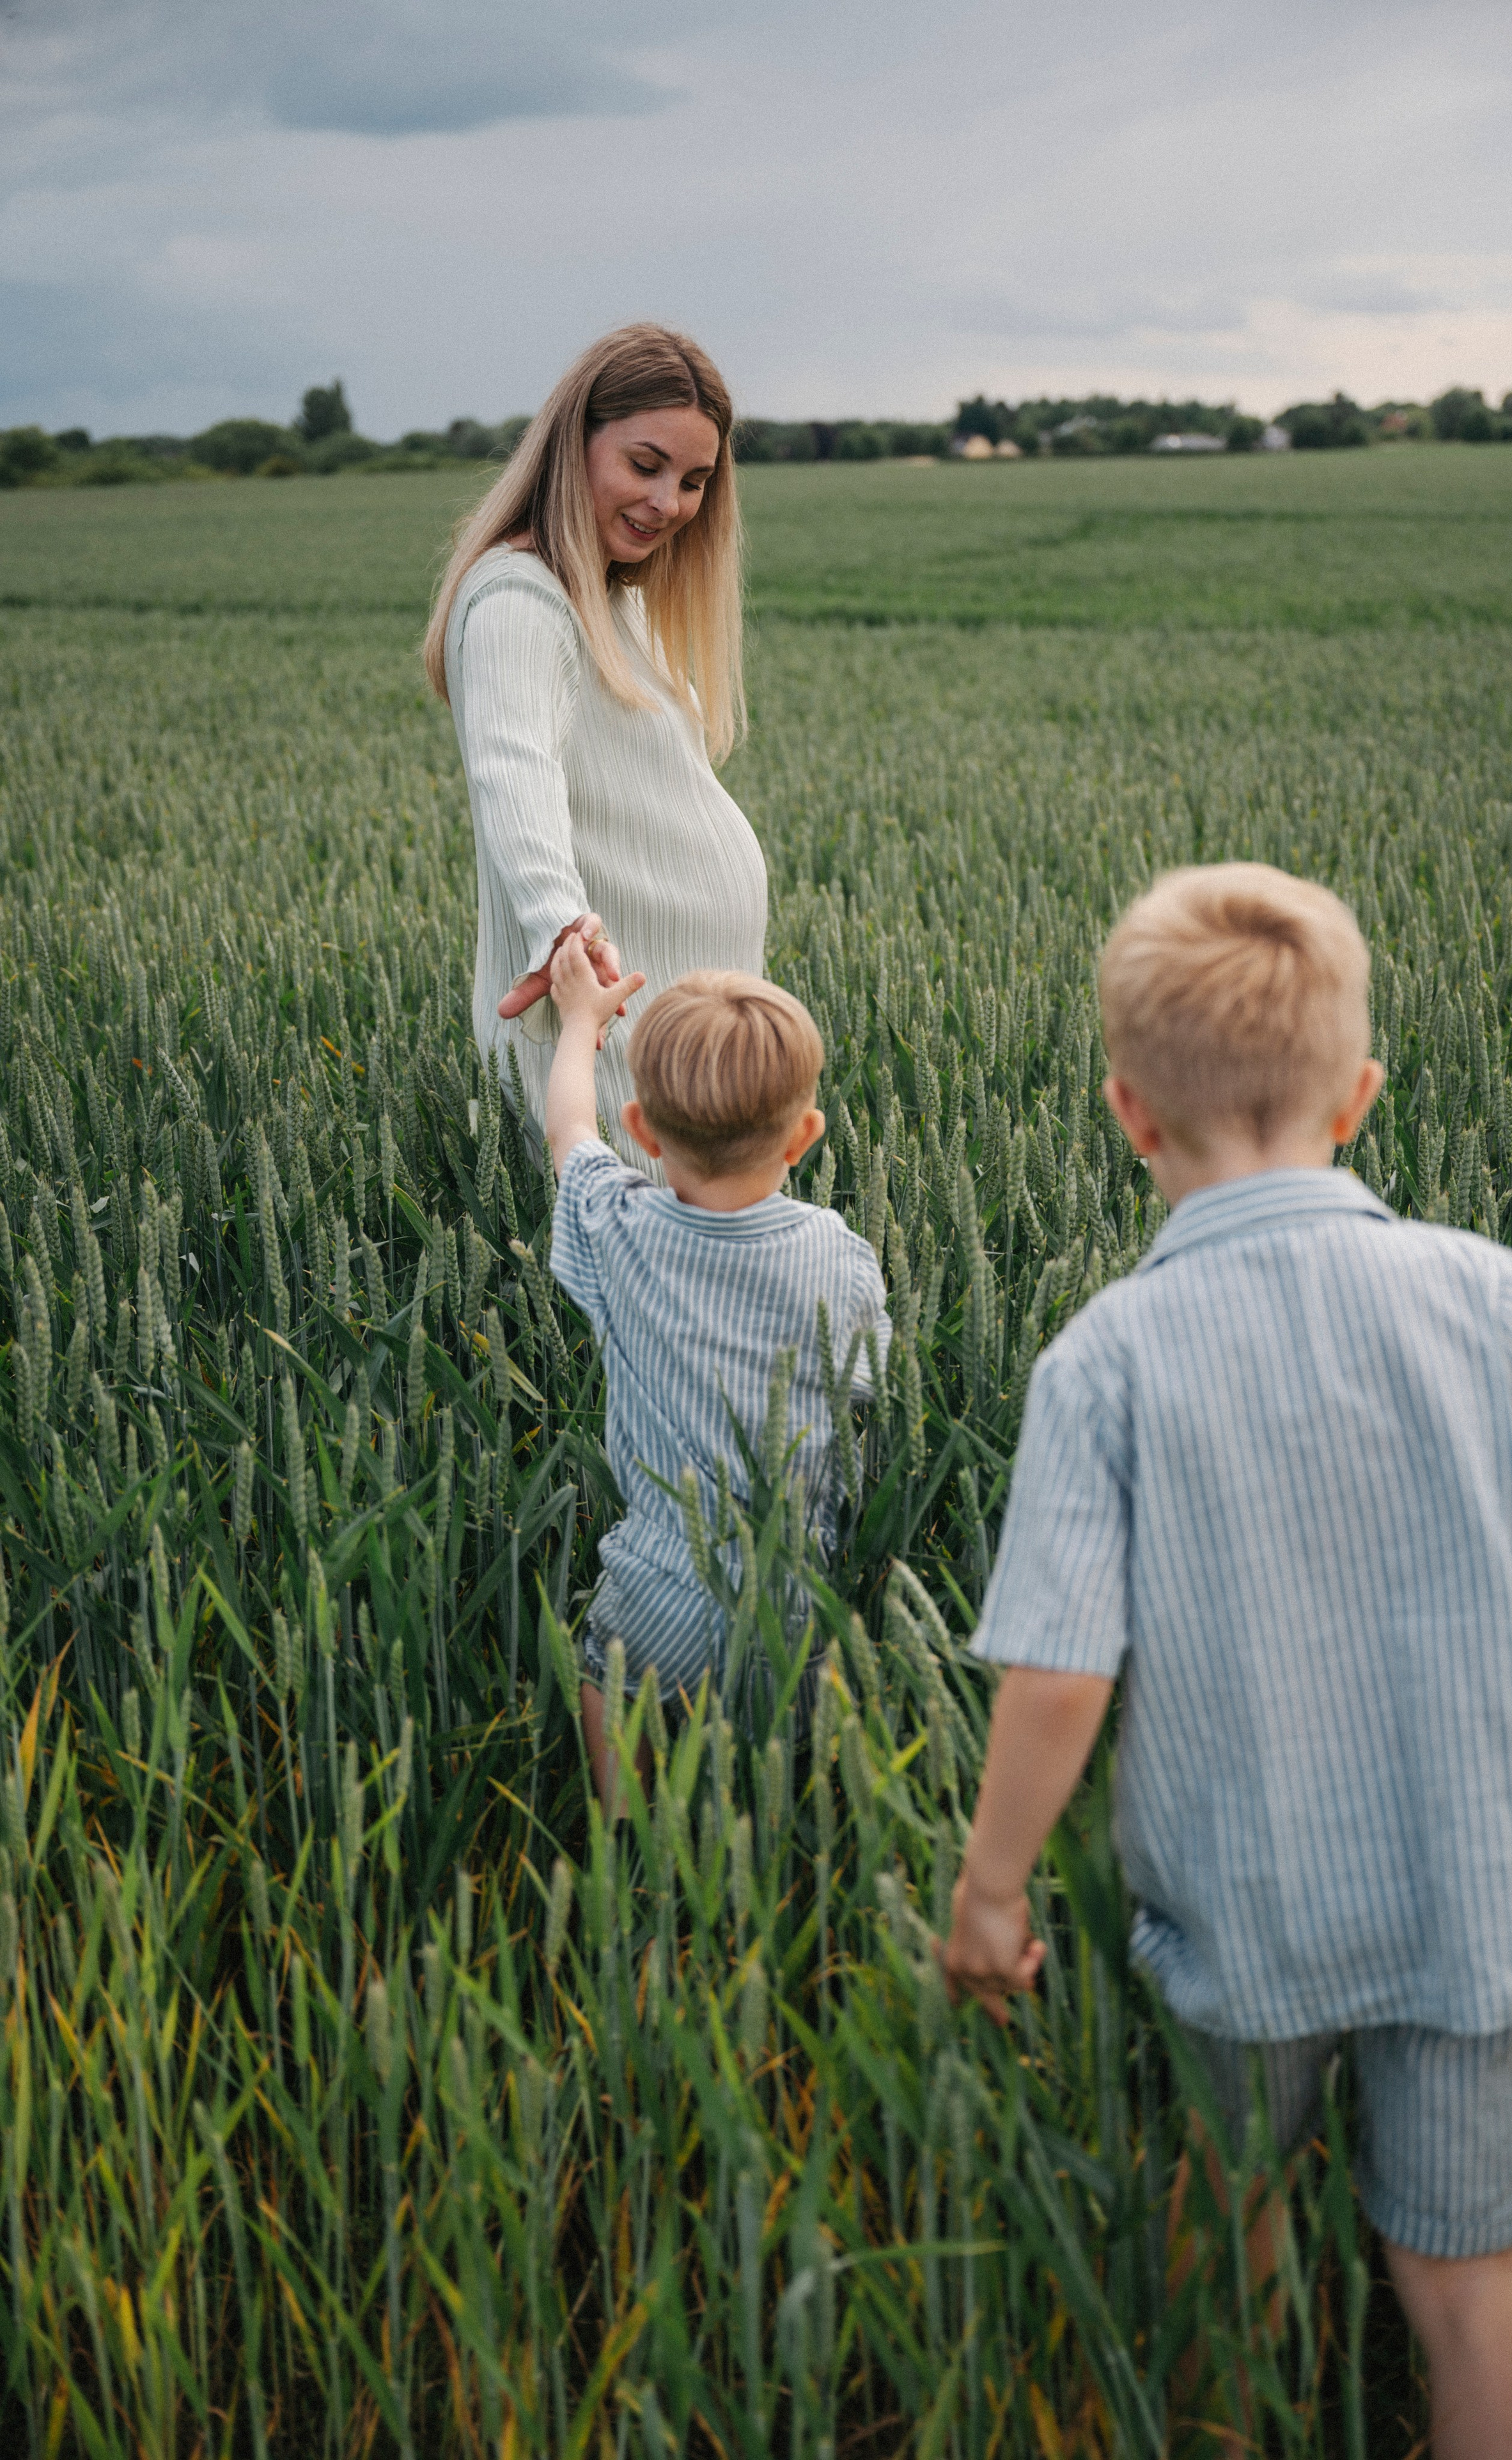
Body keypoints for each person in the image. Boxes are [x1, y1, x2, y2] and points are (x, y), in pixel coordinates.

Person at [939, 861, 1512, 2460]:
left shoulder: (1105, 1356)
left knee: (1230, 2209)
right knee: (1468, 2277)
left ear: (1127, 1113)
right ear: (1361, 1096)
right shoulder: (1481, 1295)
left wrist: (991, 1888)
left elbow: (1055, 1669)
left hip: (1243, 1898)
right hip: (1479, 1885)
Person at [542, 933, 892, 1810]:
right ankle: (788, 1832)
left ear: (643, 1131)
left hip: (663, 1584)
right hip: (798, 1589)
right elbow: (872, 1390)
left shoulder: (618, 1228)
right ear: (807, 1134)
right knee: (792, 1769)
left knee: (605, 1678)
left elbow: (567, 1132)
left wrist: (581, 1024)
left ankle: (621, 1831)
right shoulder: (839, 1256)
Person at [424, 323, 765, 1174]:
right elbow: (513, 771)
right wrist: (560, 932)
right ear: (573, 444)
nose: (668, 503)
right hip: (612, 1021)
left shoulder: (614, 598)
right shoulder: (518, 598)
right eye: (644, 465)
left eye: (693, 481)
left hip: (673, 1017)